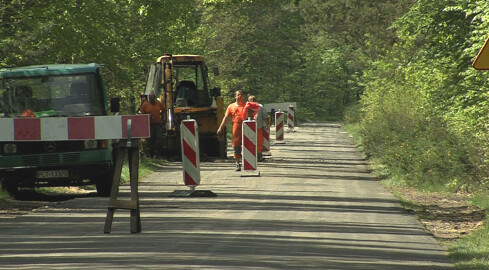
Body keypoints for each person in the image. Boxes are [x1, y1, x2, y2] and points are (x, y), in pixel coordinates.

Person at [217, 90, 246, 171]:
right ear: (235, 96)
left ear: (243, 97)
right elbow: (226, 118)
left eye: (241, 95)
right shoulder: (231, 106)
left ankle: (248, 162)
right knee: (236, 145)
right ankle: (237, 163)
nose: (239, 96)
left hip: (247, 128)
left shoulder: (246, 106)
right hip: (236, 128)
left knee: (247, 144)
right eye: (238, 95)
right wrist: (221, 127)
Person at [140, 91, 166, 158]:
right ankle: (150, 154)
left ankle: (158, 154)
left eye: (154, 97)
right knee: (150, 140)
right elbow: (142, 115)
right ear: (149, 98)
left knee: (159, 138)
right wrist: (148, 115)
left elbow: (164, 109)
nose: (152, 99)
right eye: (151, 97)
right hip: (150, 125)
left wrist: (161, 115)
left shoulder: (158, 104)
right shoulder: (145, 105)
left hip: (158, 124)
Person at [243, 95, 268, 162]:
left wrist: (267, 124)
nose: (252, 100)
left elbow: (265, 116)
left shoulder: (260, 106)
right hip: (248, 127)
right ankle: (248, 155)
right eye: (251, 99)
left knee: (259, 141)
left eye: (254, 99)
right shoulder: (246, 106)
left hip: (258, 127)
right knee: (248, 141)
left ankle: (259, 155)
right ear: (248, 100)